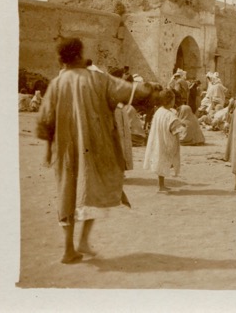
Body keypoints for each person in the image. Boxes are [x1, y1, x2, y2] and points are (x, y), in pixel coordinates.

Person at [36, 37, 158, 264]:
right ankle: (82, 240)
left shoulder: (57, 84)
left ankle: (68, 248)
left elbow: (45, 121)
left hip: (64, 151)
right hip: (94, 148)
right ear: (78, 55)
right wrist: (149, 88)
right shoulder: (96, 79)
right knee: (91, 191)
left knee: (67, 195)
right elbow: (128, 91)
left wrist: (47, 151)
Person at [143, 88, 186, 193]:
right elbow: (175, 129)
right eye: (173, 99)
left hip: (158, 140)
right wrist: (181, 125)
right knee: (164, 162)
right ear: (170, 100)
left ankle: (161, 185)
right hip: (166, 141)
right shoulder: (170, 115)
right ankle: (161, 186)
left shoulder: (159, 111)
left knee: (160, 162)